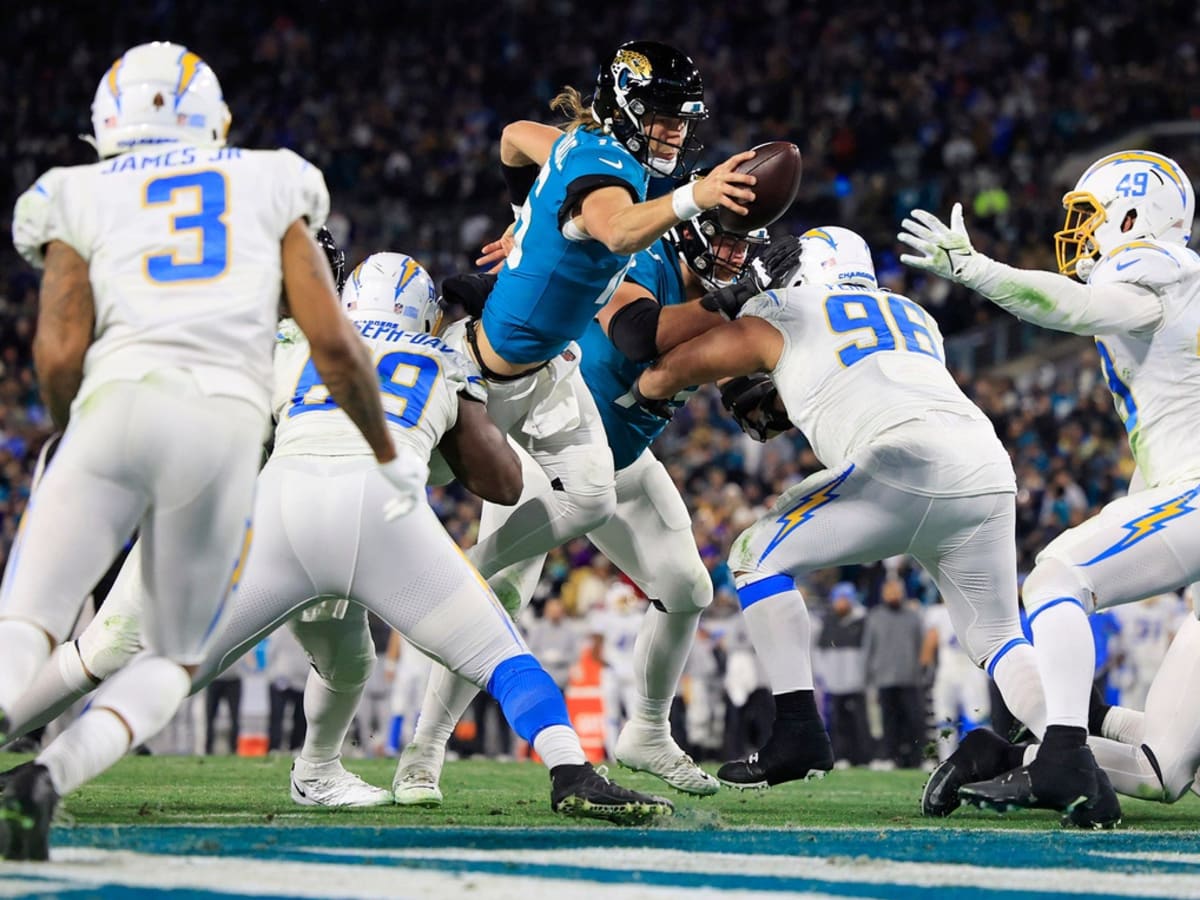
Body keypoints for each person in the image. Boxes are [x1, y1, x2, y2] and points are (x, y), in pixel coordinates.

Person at [0, 42, 420, 861]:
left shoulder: (71, 190)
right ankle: (45, 777)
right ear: (215, 119)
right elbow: (336, 348)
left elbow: (56, 351)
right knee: (159, 659)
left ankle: (318, 767)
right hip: (220, 443)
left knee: (29, 619)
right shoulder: (273, 183)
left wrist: (65, 432)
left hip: (117, 407)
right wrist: (387, 454)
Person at [629, 226, 1106, 820]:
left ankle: (800, 728)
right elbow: (851, 368)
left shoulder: (786, 304)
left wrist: (654, 375)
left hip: (903, 464)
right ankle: (1078, 760)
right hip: (985, 465)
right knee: (998, 640)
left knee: (754, 553)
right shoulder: (910, 313)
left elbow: (669, 371)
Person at [395, 40, 765, 800]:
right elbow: (643, 335)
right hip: (539, 430)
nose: (731, 256)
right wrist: (725, 305)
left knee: (688, 589)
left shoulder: (606, 176)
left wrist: (522, 214)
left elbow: (518, 141)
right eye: (722, 241)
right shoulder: (640, 234)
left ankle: (649, 734)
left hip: (601, 437)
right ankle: (422, 752)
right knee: (495, 590)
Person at [898, 149, 1199, 817]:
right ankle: (1020, 752)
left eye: (1090, 216)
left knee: (1057, 578)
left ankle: (1061, 750)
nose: (1081, 233)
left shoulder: (1153, 265)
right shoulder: (1184, 286)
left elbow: (1078, 307)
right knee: (1163, 768)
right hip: (1183, 492)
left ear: (1132, 216)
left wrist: (977, 270)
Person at [863, 578, 927, 769]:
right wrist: (867, 679)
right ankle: (890, 757)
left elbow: (921, 646)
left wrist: (922, 672)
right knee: (889, 722)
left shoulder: (914, 616)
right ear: (883, 594)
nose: (893, 595)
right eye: (889, 591)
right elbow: (868, 648)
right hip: (884, 678)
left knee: (914, 721)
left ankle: (917, 759)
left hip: (910, 677)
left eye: (896, 591)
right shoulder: (875, 616)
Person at [922, 595, 991, 762]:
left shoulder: (978, 610)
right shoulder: (938, 613)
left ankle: (982, 759)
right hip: (949, 672)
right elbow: (929, 645)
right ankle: (949, 761)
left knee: (978, 719)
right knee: (945, 719)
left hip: (972, 672)